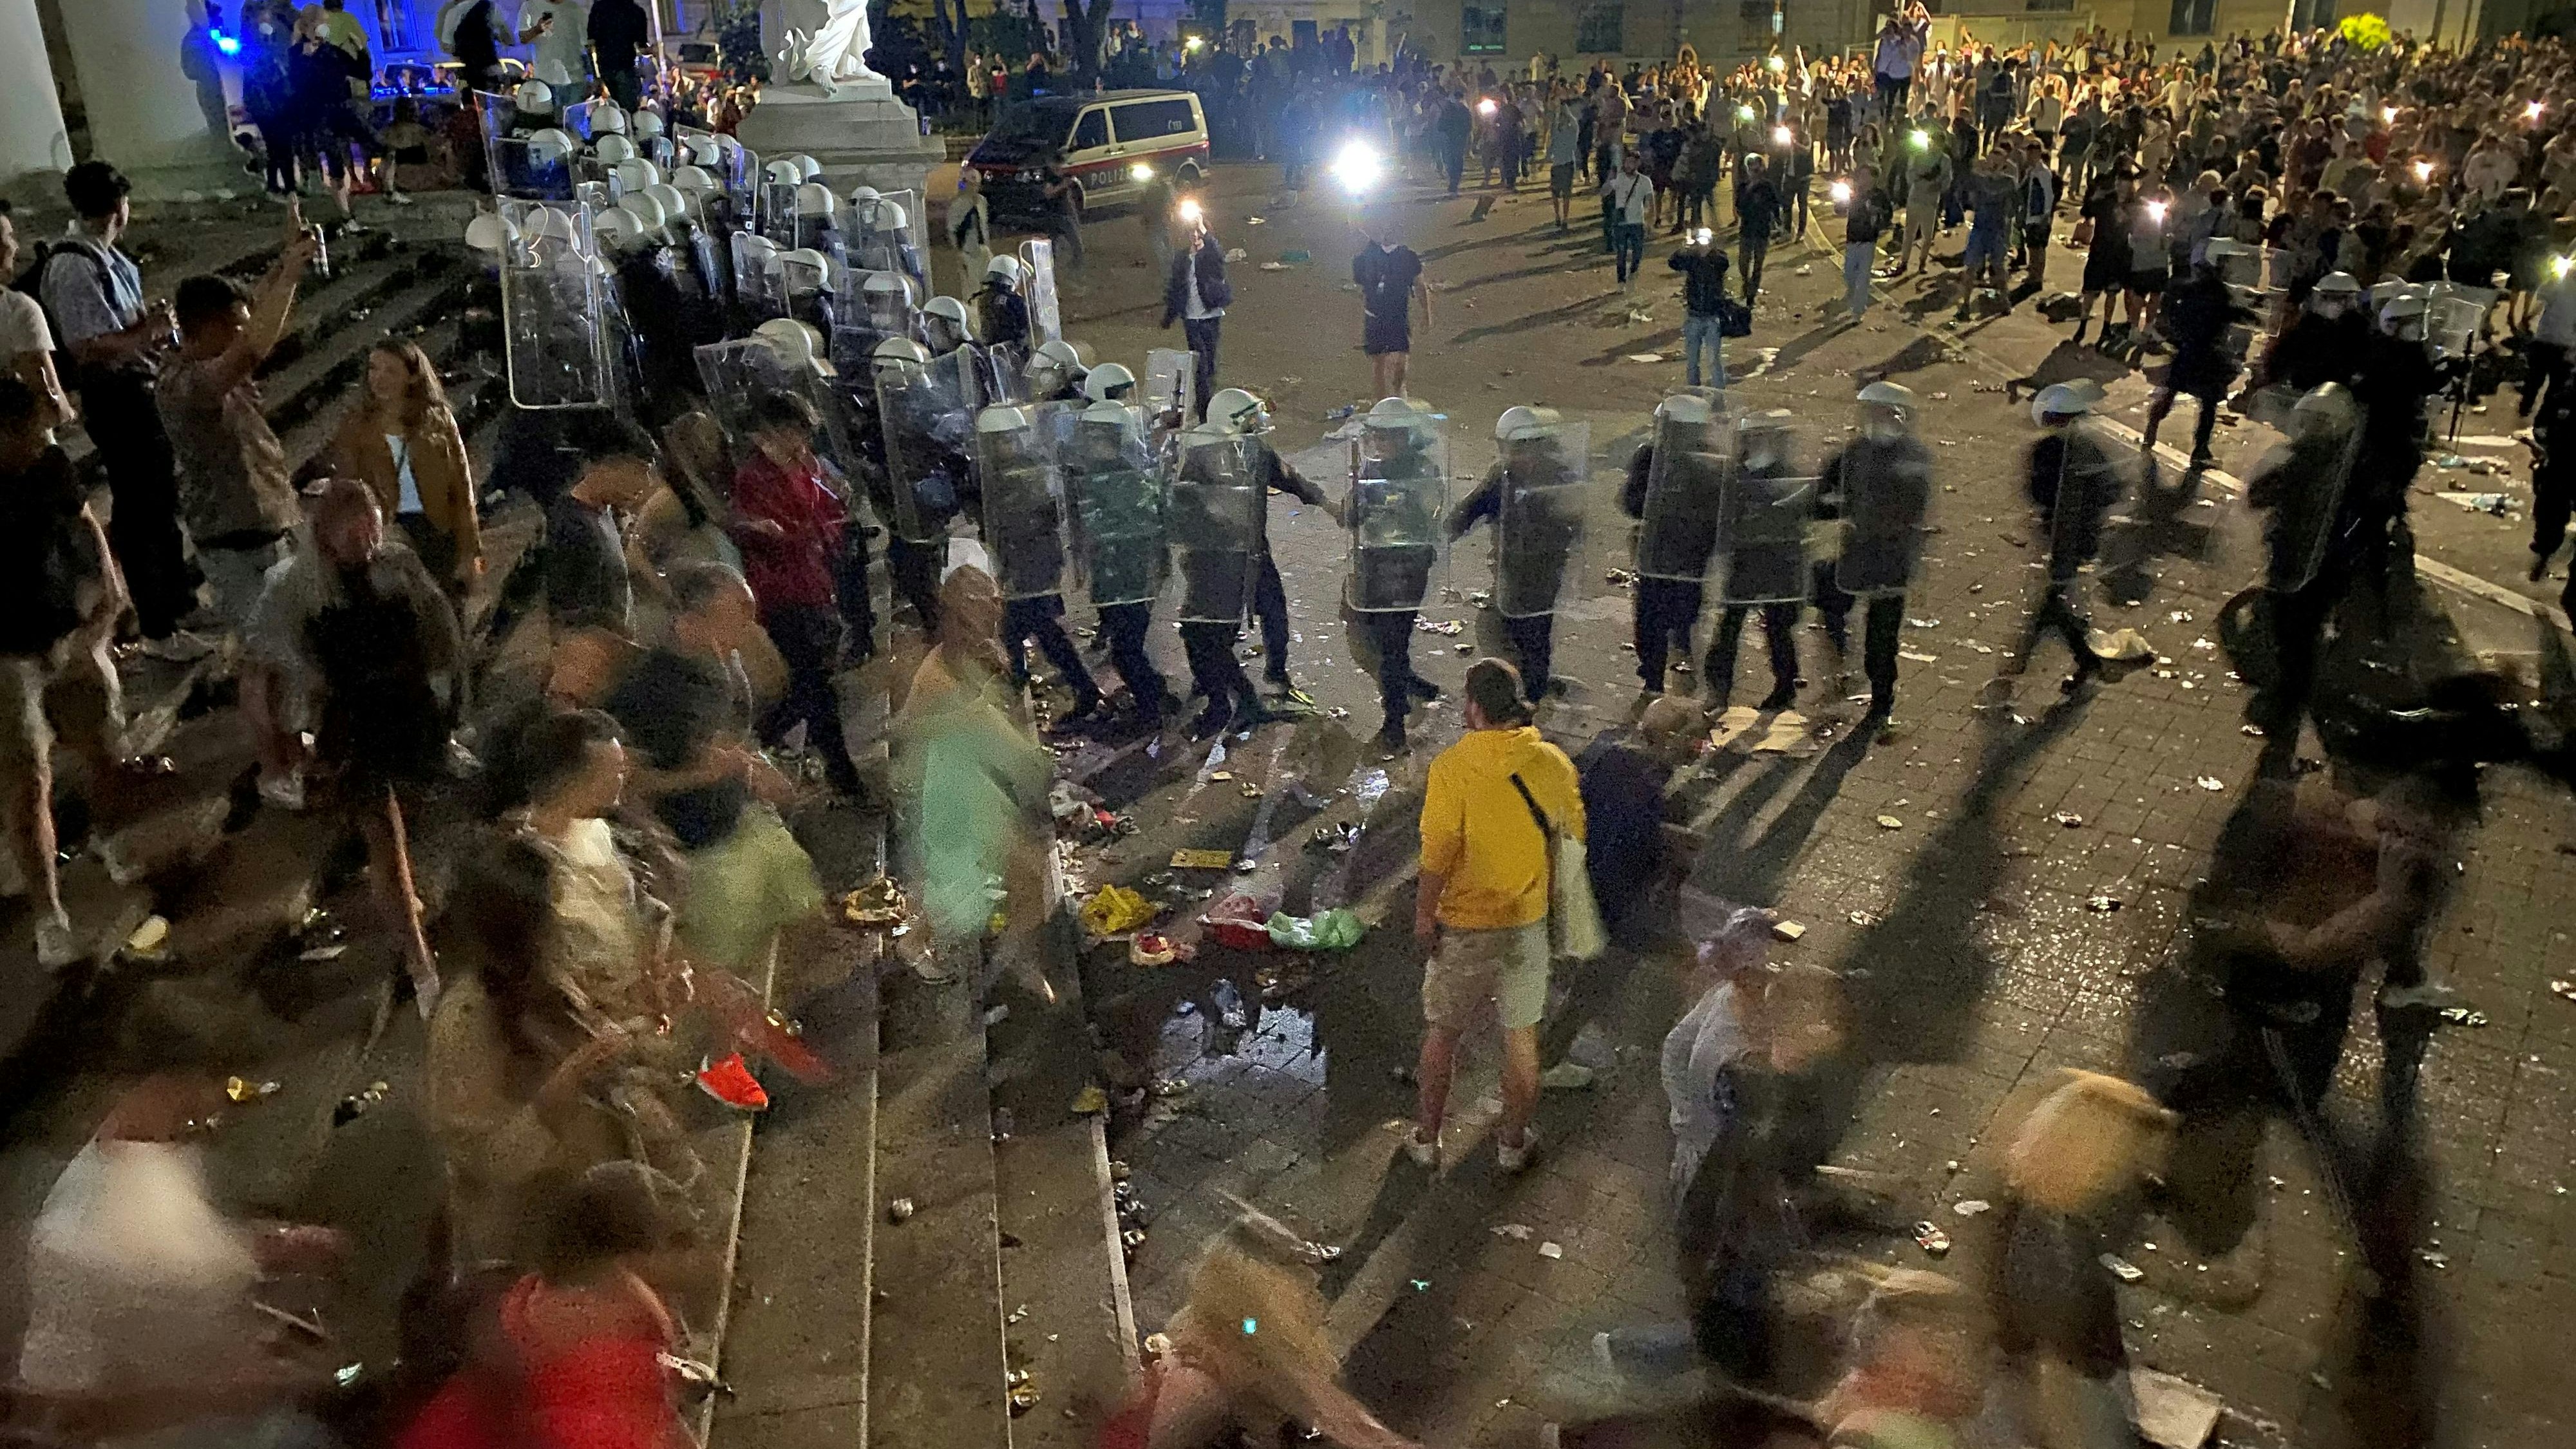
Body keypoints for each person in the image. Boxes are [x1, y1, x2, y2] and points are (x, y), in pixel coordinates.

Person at [246, 478, 462, 1012]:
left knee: (406, 824)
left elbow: (441, 636)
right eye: (355, 532)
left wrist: (447, 707)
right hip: (346, 726)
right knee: (384, 841)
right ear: (325, 536)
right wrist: (280, 750)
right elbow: (261, 669)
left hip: (407, 715)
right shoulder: (294, 587)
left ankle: (403, 903)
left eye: (373, 528)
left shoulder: (398, 566)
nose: (368, 543)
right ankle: (419, 962)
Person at [1407, 658, 1583, 1175]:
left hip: (1463, 927)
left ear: (1475, 707)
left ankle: (1427, 1138)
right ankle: (1511, 1145)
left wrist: (1423, 917)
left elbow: (1437, 855)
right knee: (1521, 1036)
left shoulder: (1453, 768)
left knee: (1443, 1033)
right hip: (1525, 923)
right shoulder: (1552, 762)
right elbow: (1569, 841)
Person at [43, 162, 195, 654]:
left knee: (159, 496)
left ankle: (178, 598)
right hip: (116, 396)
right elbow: (87, 345)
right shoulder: (73, 265)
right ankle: (158, 619)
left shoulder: (104, 258)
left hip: (139, 387)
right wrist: (144, 333)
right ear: (118, 207)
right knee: (140, 503)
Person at [0, 379, 126, 969]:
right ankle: (50, 914)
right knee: (29, 782)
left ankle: (110, 838)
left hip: (66, 630)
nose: (41, 439)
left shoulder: (48, 465)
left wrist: (107, 587)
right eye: (29, 431)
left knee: (99, 741)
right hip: (5, 654)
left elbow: (85, 523)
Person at [156, 213, 323, 638]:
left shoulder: (211, 356)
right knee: (271, 648)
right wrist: (289, 273)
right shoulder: (183, 383)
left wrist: (287, 261)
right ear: (208, 328)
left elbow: (254, 317)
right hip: (235, 541)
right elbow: (252, 347)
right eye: (233, 326)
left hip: (271, 523)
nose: (243, 331)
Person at [729, 390, 865, 797]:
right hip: (783, 592)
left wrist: (826, 489)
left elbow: (822, 515)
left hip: (812, 582)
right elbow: (780, 531)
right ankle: (842, 775)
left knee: (812, 685)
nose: (803, 442)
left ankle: (778, 744)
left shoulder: (801, 467)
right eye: (796, 432)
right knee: (814, 687)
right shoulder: (754, 477)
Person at [1448, 407, 1583, 705]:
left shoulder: (1559, 478)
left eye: (1525, 448)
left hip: (1543, 573)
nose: (1519, 457)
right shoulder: (1502, 476)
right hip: (1509, 570)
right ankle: (1523, 686)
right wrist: (1448, 527)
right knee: (1502, 629)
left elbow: (1574, 521)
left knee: (1534, 633)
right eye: (1512, 450)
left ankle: (1532, 695)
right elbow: (1474, 506)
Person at [1814, 383, 1930, 721]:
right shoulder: (1854, 454)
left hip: (1889, 558)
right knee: (1830, 602)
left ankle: (1881, 697)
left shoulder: (1909, 457)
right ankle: (1849, 668)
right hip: (1859, 555)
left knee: (1881, 636)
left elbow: (1914, 508)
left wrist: (1850, 510)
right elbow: (1822, 498)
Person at [328, 339, 483, 594]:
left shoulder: (437, 419)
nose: (379, 378)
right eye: (374, 369)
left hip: (437, 530)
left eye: (391, 370)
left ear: (412, 377)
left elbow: (462, 488)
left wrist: (470, 552)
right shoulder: (355, 425)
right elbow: (349, 488)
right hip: (387, 532)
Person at [1996, 382, 2121, 697]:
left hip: (2061, 538)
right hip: (2085, 538)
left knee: (2053, 603)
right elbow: (2112, 489)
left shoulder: (2047, 451)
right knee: (2056, 600)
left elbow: (2037, 492)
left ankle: (2039, 661)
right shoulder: (2091, 448)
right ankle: (2070, 659)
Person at [1623, 391, 1722, 694]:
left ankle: (1682, 648)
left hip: (1691, 559)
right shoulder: (1649, 457)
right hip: (1656, 556)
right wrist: (1657, 503)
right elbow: (1630, 501)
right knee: (1649, 622)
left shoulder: (1710, 462)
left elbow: (1718, 512)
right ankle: (1652, 677)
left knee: (1685, 614)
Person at [545, 424, 664, 635]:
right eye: (640, 470)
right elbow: (572, 615)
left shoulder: (604, 511)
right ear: (607, 466)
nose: (645, 483)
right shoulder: (572, 526)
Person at [2142, 256, 2250, 470]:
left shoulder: (2189, 291)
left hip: (2187, 353)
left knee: (2172, 392)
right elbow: (2228, 314)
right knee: (2208, 404)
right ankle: (2200, 449)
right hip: (2206, 355)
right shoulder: (2217, 294)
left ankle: (2151, 430)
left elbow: (2175, 316)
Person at [0, 203, 75, 435]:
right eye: (9, 236)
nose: (15, 245)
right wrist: (70, 410)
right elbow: (53, 409)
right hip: (23, 456)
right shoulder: (17, 311)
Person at [1161, 217, 1231, 422]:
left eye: (1199, 232)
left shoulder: (1210, 255)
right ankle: (1204, 413)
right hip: (1191, 320)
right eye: (1192, 232)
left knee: (1209, 365)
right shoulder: (1182, 257)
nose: (1195, 235)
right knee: (1201, 367)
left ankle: (1208, 407)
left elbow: (1218, 255)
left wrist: (1203, 228)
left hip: (1210, 318)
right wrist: (1169, 316)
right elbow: (1176, 287)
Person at [1352, 220, 1429, 401]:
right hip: (1375, 315)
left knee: (1400, 360)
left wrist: (1427, 313)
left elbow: (1420, 285)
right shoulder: (1366, 257)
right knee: (1379, 362)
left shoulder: (1408, 257)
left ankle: (1399, 395)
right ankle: (1382, 404)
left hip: (1397, 315)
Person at [182, 3, 234, 148]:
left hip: (216, 86)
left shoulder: (211, 36)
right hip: (208, 90)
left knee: (223, 126)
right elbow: (189, 70)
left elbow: (228, 55)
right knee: (217, 127)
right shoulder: (193, 39)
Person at [1842, 164, 1889, 323]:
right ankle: (1853, 297)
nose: (1863, 179)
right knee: (1849, 274)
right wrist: (1844, 201)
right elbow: (1839, 209)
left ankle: (1858, 311)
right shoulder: (1853, 193)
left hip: (1868, 240)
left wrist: (1877, 214)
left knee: (1863, 276)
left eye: (1867, 176)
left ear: (1874, 179)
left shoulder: (1879, 196)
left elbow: (1887, 214)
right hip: (1852, 239)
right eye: (1861, 176)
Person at [1735, 153, 1784, 305]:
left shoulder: (1767, 186)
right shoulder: (1743, 187)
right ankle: (1745, 281)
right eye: (1752, 169)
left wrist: (1778, 222)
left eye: (1757, 170)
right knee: (1743, 262)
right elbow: (1739, 207)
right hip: (1747, 229)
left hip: (1762, 230)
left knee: (1758, 263)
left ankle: (1752, 293)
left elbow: (1775, 205)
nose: (1754, 173)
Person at [1602, 149, 1655, 289]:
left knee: (1638, 252)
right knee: (1621, 253)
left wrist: (1650, 223)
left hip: (1638, 222)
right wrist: (1610, 178)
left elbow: (1651, 203)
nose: (1629, 165)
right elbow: (1604, 192)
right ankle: (1621, 281)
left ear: (1637, 164)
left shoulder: (1645, 181)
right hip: (1621, 222)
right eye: (1627, 162)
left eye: (1632, 162)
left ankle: (1633, 272)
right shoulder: (1619, 178)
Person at [588, 0, 652, 110]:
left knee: (614, 108)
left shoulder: (599, 8)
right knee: (629, 109)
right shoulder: (636, 11)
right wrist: (653, 50)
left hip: (605, 68)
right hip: (625, 66)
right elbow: (642, 47)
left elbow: (591, 44)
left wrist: (595, 75)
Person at [1872, 3, 1931, 119]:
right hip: (1890, 74)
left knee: (1902, 99)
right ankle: (1887, 118)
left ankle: (1901, 118)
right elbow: (1882, 47)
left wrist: (1904, 51)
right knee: (1889, 98)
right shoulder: (1891, 40)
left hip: (1905, 74)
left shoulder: (1912, 42)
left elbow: (1911, 58)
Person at [950, 168, 994, 293]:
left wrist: (987, 245)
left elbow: (984, 226)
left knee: (988, 284)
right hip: (968, 251)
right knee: (972, 289)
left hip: (983, 249)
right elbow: (953, 230)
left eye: (977, 185)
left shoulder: (981, 201)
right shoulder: (958, 204)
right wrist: (959, 253)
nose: (975, 188)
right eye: (972, 184)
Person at [1546, 90, 1586, 229]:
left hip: (1568, 163)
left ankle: (1565, 218)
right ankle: (1557, 216)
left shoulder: (1572, 127)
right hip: (1557, 164)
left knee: (1567, 194)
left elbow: (1575, 127)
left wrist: (1565, 112)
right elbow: (1552, 143)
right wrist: (1547, 157)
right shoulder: (1556, 127)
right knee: (1555, 193)